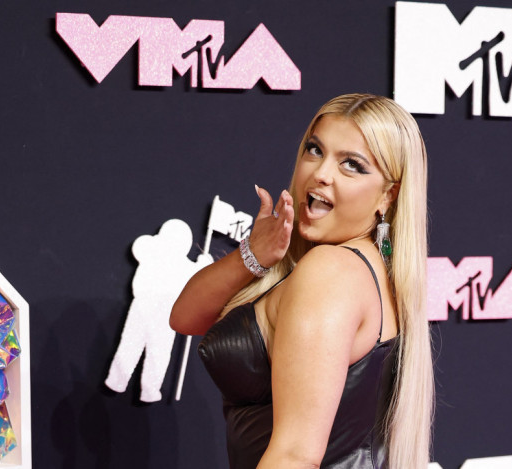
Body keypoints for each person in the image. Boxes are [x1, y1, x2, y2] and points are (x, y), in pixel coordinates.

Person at [170, 93, 434, 468]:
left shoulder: (331, 271)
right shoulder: (367, 269)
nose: (321, 173)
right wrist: (253, 255)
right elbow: (185, 317)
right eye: (315, 150)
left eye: (352, 165)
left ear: (387, 197)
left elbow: (295, 456)